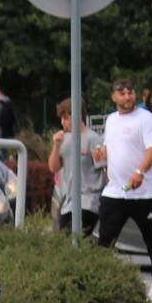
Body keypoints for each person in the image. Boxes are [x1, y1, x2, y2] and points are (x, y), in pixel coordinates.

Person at [88, 77, 152, 297]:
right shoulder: (111, 120)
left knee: (151, 238)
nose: (127, 97)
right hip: (115, 191)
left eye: (130, 92)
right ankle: (100, 283)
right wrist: (102, 154)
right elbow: (110, 147)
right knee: (105, 238)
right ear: (114, 97)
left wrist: (140, 172)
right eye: (121, 93)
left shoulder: (145, 118)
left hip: (142, 192)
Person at [47, 98, 101, 232]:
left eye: (66, 118)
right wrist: (56, 146)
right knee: (62, 239)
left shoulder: (93, 139)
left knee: (76, 236)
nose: (62, 122)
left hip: (89, 200)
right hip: (70, 200)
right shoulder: (65, 139)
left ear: (78, 117)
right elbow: (53, 167)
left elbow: (105, 169)